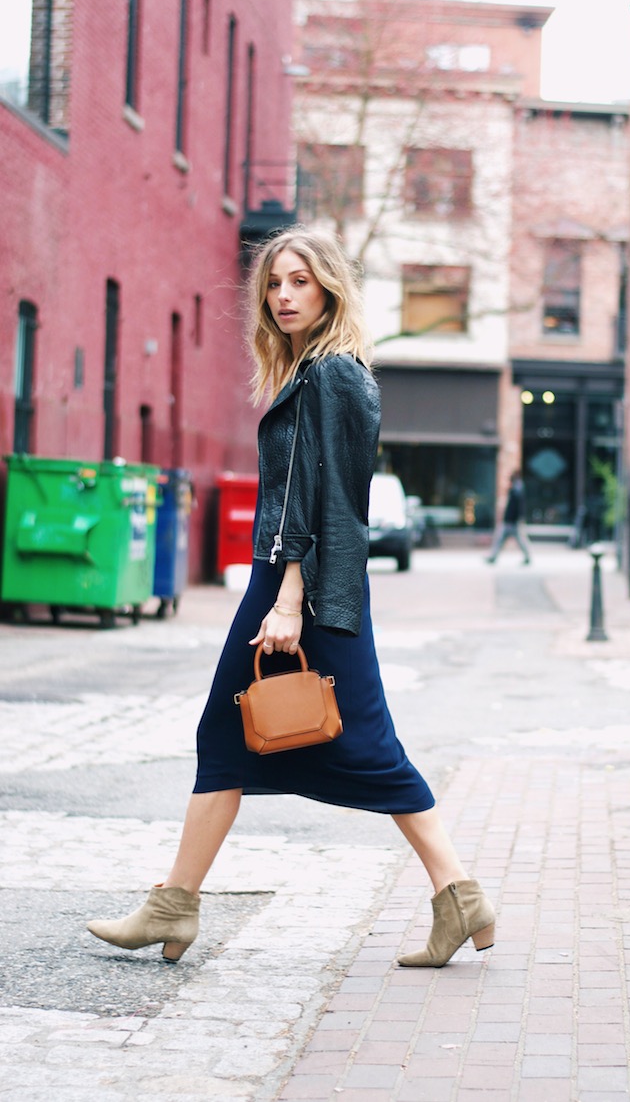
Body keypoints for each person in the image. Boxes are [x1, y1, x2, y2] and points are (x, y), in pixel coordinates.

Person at [86, 227, 494, 968]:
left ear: (331, 287)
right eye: (274, 284)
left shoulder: (332, 376)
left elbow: (323, 500)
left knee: (255, 738)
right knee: (324, 744)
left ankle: (175, 906)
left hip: (302, 589)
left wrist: (286, 598)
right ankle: (457, 894)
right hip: (318, 588)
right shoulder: (318, 373)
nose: (283, 296)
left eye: (300, 281)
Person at [486, 471, 532, 565]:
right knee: (502, 540)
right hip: (510, 520)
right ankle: (493, 557)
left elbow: (518, 507)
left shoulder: (517, 490)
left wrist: (518, 518)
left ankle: (493, 557)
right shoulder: (516, 489)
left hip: (512, 521)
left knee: (517, 540)